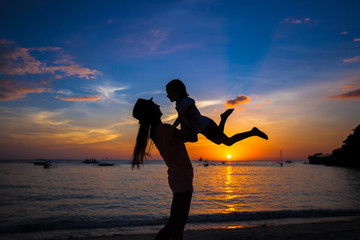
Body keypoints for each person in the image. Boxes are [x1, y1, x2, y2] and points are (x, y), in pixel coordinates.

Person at [132, 98, 193, 240]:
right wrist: (192, 117)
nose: (158, 105)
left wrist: (181, 119)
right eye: (155, 105)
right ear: (152, 111)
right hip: (181, 177)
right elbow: (190, 136)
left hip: (178, 176)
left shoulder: (158, 131)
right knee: (176, 223)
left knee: (178, 224)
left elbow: (175, 133)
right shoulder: (164, 129)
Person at [166, 79, 269, 145]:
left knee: (227, 142)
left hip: (206, 125)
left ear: (177, 91)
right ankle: (224, 118)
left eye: (168, 92)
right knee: (221, 141)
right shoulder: (178, 105)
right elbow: (180, 118)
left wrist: (188, 130)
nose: (167, 95)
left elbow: (194, 118)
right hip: (202, 128)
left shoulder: (186, 102)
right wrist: (172, 128)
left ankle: (253, 131)